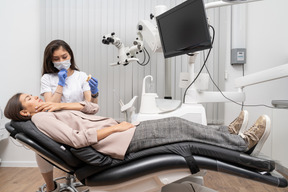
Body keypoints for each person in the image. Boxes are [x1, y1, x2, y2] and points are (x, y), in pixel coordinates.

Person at [5, 93, 270, 161]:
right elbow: (76, 139)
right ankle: (241, 145)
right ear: (25, 112)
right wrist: (116, 129)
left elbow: (89, 109)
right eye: (30, 99)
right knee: (179, 126)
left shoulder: (50, 111)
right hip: (120, 141)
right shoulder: (40, 119)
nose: (36, 97)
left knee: (178, 125)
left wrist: (63, 106)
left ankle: (227, 133)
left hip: (123, 135)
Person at [37, 39, 99, 191]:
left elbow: (90, 105)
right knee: (40, 147)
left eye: (64, 57)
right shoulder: (47, 78)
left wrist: (95, 92)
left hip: (79, 122)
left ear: (70, 55)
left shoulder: (81, 76)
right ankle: (50, 187)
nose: (61, 61)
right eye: (56, 59)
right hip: (57, 123)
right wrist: (60, 83)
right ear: (50, 61)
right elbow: (49, 106)